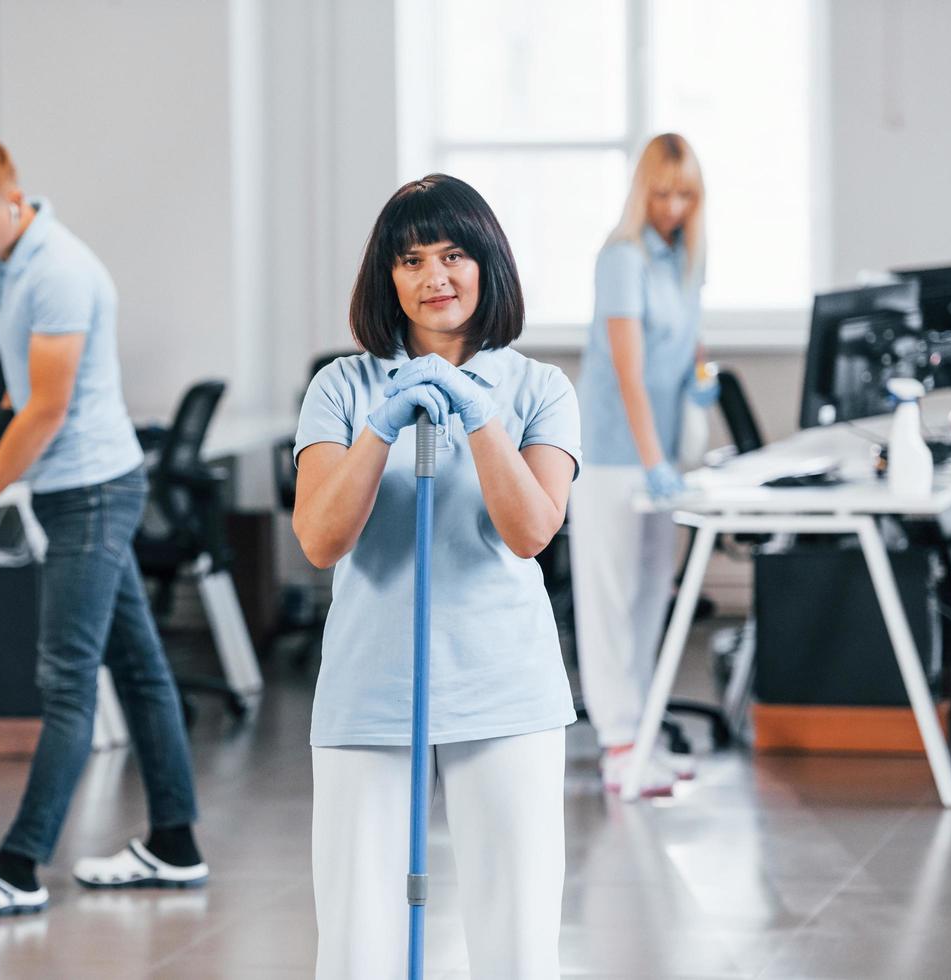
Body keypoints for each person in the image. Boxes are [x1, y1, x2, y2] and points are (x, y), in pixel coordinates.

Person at [0, 130, 207, 921]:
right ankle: (176, 844)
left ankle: (19, 864)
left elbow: (49, 406)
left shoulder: (60, 272)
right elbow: (23, 389)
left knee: (67, 679)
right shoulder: (11, 262)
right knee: (140, 669)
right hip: (68, 487)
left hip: (91, 491)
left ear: (13, 200)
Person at [293, 173, 580, 979]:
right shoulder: (341, 389)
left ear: (488, 264)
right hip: (369, 694)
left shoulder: (540, 389)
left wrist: (479, 414)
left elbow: (530, 532)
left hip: (505, 692)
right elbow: (319, 539)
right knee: (357, 944)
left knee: (518, 940)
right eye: (411, 259)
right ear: (387, 277)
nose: (434, 277)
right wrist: (379, 430)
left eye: (454, 254)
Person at [571, 133, 716, 797]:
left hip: (661, 454)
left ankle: (644, 730)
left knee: (652, 599)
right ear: (642, 192)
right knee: (610, 601)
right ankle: (617, 743)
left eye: (685, 195)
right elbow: (627, 372)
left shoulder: (684, 260)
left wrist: (702, 382)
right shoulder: (622, 258)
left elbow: (689, 343)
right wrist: (653, 459)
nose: (673, 207)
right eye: (661, 194)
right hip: (614, 456)